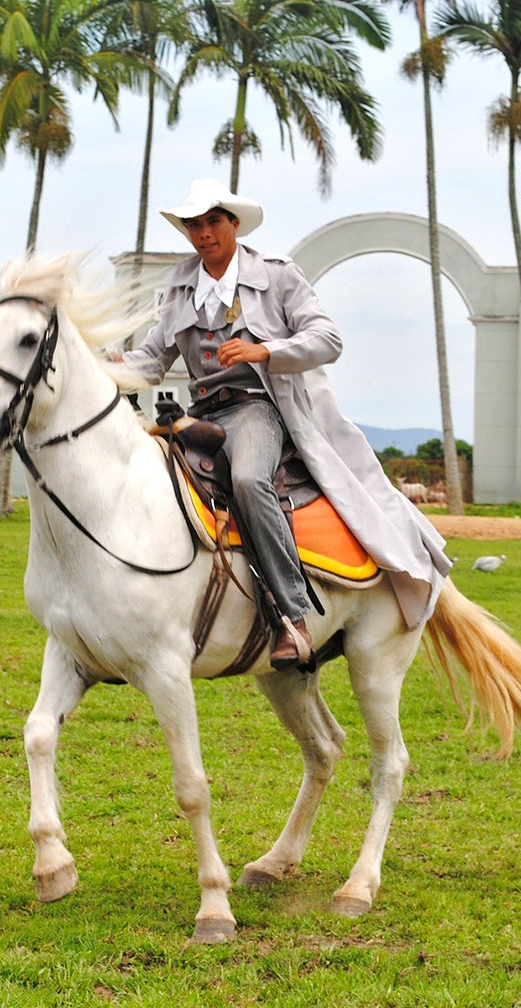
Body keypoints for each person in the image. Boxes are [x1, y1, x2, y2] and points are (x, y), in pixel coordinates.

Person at [120, 178, 452, 667]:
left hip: (255, 408)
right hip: (198, 414)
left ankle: (292, 618)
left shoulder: (276, 277)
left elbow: (328, 339)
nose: (204, 232)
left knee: (250, 480)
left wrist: (267, 351)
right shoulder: (179, 286)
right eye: (194, 224)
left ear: (234, 224)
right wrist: (102, 365)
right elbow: (151, 359)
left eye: (213, 222)